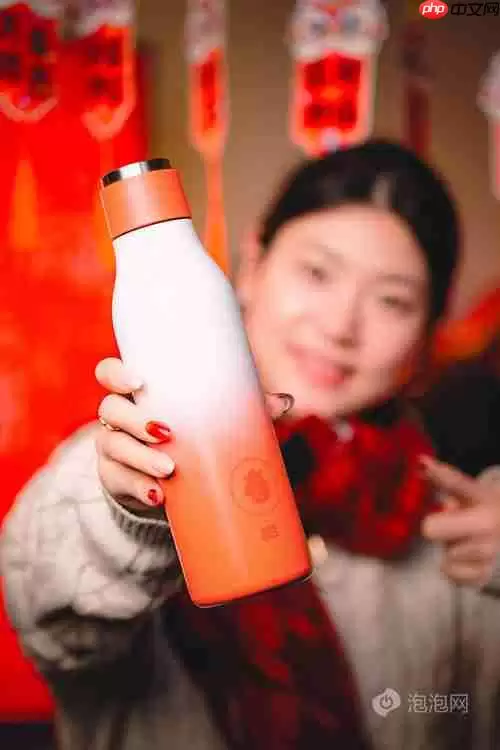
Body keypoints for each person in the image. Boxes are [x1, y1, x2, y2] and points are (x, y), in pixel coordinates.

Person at [3, 140, 500, 750]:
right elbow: (56, 622)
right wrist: (129, 516)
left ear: (428, 334)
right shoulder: (119, 465)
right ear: (253, 265)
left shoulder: (458, 524)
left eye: (392, 301)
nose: (340, 326)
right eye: (316, 273)